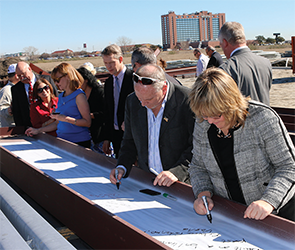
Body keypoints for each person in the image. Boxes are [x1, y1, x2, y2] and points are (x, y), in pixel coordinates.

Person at [188, 68, 295, 222]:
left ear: (232, 104)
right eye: (205, 115)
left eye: (216, 115)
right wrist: (203, 195)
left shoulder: (262, 118)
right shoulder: (203, 123)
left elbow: (289, 167)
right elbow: (198, 166)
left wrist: (268, 201)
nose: (210, 121)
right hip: (231, 214)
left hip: (276, 215)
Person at [109, 64, 194, 187]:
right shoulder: (132, 101)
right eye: (139, 98)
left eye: (148, 99)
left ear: (164, 89)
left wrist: (177, 172)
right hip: (149, 182)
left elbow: (197, 147)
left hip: (182, 183)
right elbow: (129, 141)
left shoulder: (187, 101)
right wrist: (122, 166)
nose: (143, 104)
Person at [25, 63, 91, 148]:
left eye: (58, 79)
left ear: (68, 76)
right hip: (62, 141)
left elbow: (87, 122)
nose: (56, 83)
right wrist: (38, 131)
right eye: (54, 80)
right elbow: (57, 123)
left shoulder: (79, 96)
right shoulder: (61, 96)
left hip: (79, 142)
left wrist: (66, 119)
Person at [218, 21, 272, 105]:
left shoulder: (226, 69)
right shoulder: (266, 63)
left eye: (221, 45)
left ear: (225, 43)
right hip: (265, 116)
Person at [101, 44, 134, 157]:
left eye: (111, 62)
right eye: (106, 63)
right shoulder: (109, 82)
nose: (108, 66)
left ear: (120, 59)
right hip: (116, 134)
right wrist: (107, 137)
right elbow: (107, 111)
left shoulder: (133, 79)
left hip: (132, 134)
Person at [11, 61, 58, 127]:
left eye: (23, 74)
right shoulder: (16, 89)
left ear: (29, 69)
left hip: (51, 122)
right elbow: (17, 112)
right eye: (19, 76)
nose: (22, 78)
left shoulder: (47, 80)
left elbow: (56, 98)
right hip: (29, 126)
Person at [77, 67, 105, 152]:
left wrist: (89, 115)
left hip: (101, 134)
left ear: (86, 80)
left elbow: (106, 113)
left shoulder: (99, 92)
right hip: (87, 135)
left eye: (79, 80)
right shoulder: (80, 95)